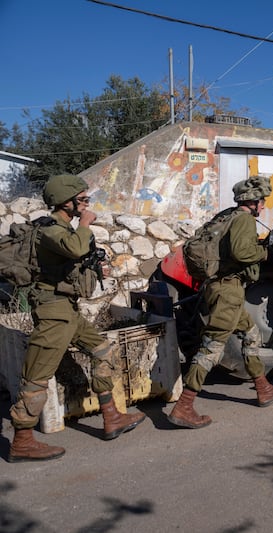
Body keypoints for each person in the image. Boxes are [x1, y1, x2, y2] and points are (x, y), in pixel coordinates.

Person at [8, 174, 146, 462]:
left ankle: (111, 416)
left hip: (67, 309)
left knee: (102, 349)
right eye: (82, 200)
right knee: (36, 377)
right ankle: (22, 440)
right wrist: (85, 224)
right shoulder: (50, 230)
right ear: (65, 202)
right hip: (53, 312)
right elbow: (75, 248)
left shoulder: (63, 229)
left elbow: (73, 263)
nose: (86, 205)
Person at [167, 175, 273, 429]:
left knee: (251, 334)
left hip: (221, 288)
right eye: (263, 201)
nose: (264, 206)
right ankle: (184, 405)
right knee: (212, 347)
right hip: (228, 291)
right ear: (255, 201)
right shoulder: (245, 220)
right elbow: (242, 252)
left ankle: (263, 388)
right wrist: (266, 252)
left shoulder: (226, 215)